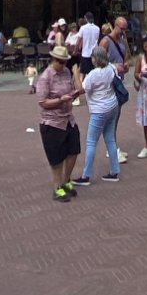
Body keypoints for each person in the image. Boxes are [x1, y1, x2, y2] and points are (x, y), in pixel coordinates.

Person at [34, 43, 83, 201]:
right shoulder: (45, 77)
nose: (63, 65)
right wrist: (60, 100)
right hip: (52, 122)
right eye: (60, 62)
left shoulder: (67, 72)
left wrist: (73, 93)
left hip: (68, 119)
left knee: (74, 150)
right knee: (56, 158)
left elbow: (74, 89)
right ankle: (57, 187)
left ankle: (66, 179)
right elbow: (42, 102)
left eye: (65, 62)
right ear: (53, 59)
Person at [76, 46, 123, 185]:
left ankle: (86, 175)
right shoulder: (110, 68)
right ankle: (114, 171)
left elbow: (81, 89)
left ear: (96, 58)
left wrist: (75, 74)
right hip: (112, 106)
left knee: (91, 142)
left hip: (98, 109)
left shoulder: (93, 74)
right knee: (110, 139)